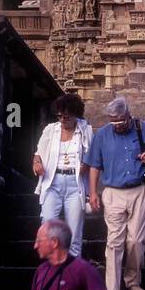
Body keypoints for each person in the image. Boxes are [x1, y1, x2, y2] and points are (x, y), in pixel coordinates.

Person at [86, 96, 145, 290]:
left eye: (121, 121)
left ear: (128, 115)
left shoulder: (141, 127)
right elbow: (94, 165)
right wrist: (93, 192)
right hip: (113, 191)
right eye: (113, 121)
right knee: (114, 241)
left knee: (137, 240)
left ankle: (133, 281)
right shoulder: (101, 135)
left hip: (139, 189)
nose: (117, 125)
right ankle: (112, 288)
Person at [32, 92, 94, 258]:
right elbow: (38, 153)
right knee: (47, 222)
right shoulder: (50, 130)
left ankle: (73, 273)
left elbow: (93, 156)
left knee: (74, 233)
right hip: (53, 182)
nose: (62, 120)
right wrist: (37, 163)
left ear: (75, 115)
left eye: (67, 117)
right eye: (60, 116)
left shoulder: (85, 130)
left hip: (75, 185)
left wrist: (86, 165)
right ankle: (50, 266)